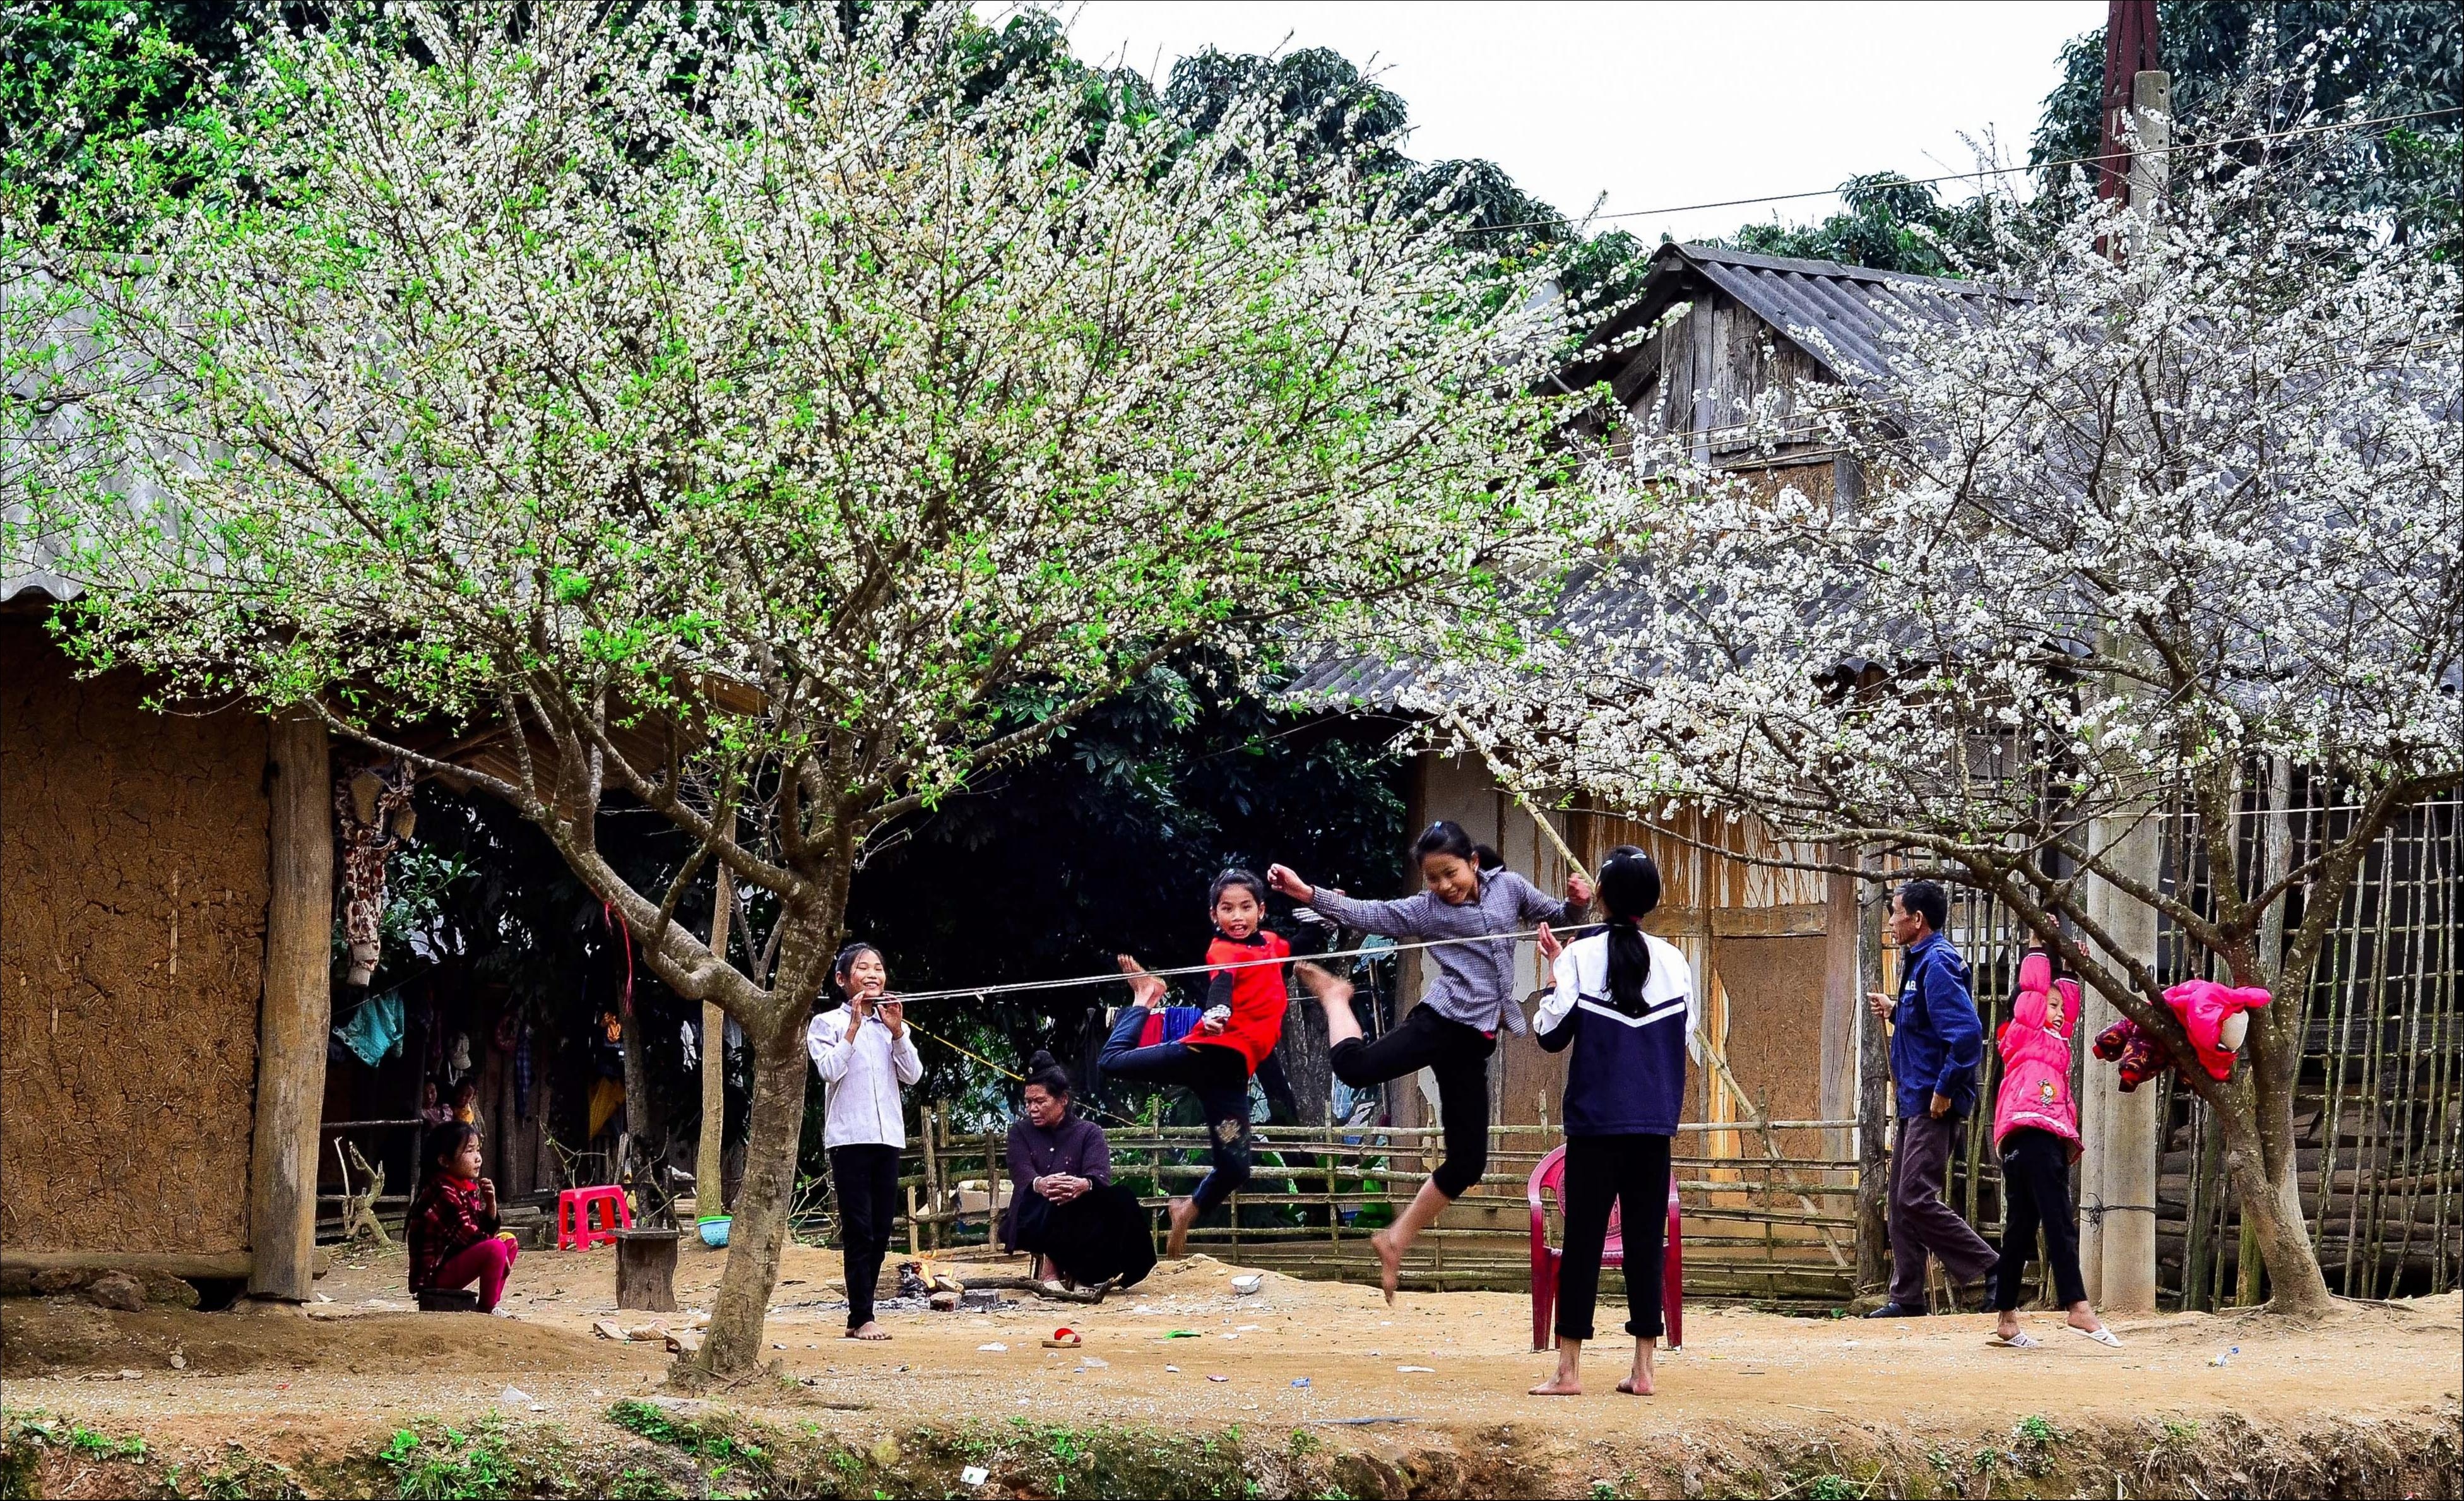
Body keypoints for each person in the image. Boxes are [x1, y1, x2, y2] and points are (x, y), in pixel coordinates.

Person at [1270, 821, 1593, 1302]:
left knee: (1468, 1164)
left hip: (1474, 1041)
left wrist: (1578, 903)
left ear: (1474, 863)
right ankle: (1336, 997)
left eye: (1451, 874)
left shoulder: (1510, 890)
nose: (1444, 886)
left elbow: (1563, 921)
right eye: (1434, 878)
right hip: (1440, 1023)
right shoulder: (1425, 910)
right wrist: (1307, 892)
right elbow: (1370, 912)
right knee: (1354, 1068)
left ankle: (1394, 1239)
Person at [1527, 846, 1691, 1397]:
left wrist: (1556, 970)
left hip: (1596, 1123)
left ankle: (1569, 1371)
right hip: (1653, 1124)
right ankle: (1644, 1371)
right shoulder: (1675, 960)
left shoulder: (1579, 955)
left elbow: (1549, 1036)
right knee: (1648, 1244)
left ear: (1600, 896)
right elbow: (1681, 1042)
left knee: (1582, 1244)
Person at [1101, 869, 1291, 1257]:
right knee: (1112, 1062)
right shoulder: (1222, 951)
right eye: (1227, 909)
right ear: (1214, 915)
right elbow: (1221, 983)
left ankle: (1187, 1209)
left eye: (1245, 908)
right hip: (1202, 1056)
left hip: (1229, 1080)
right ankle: (1145, 997)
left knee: (1236, 1167)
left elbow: (1300, 944)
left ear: (1262, 910)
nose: (1237, 917)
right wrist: (1217, 1012)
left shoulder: (1272, 945)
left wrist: (1326, 915)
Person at [1863, 879, 1998, 1317]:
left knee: (1915, 1197)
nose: (1891, 920)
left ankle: (1993, 1268)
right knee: (1902, 1198)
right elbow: (1928, 1019)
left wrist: (1943, 1090)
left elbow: (1965, 1036)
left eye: (1895, 911)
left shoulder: (1937, 963)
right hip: (1914, 1096)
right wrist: (1896, 1009)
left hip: (1931, 1100)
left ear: (1916, 919)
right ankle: (1907, 1297)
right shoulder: (1919, 961)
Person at [1989, 948, 2120, 1349]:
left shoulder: (2054, 1043)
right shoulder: (2023, 1032)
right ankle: (2078, 1307)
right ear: (2028, 1008)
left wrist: (2066, 963)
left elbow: (2070, 1003)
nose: (2061, 1013)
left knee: (2021, 1229)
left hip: (2027, 1140)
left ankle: (2007, 1317)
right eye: (2052, 1005)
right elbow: (2033, 985)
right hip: (2035, 1134)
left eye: (2061, 1007)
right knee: (2059, 1220)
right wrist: (2037, 945)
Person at [808, 940, 921, 1341]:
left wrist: (897, 1033)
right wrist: (853, 1028)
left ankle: (860, 1315)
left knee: (879, 1229)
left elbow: (912, 1075)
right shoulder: (826, 1024)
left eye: (878, 967)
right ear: (842, 979)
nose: (873, 974)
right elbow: (829, 1071)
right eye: (862, 968)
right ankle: (863, 1315)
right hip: (849, 1138)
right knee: (858, 1229)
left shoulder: (893, 1025)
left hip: (887, 1137)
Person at [1002, 1052, 1157, 1291]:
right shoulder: (1020, 1132)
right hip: (1032, 1214)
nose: (1032, 1108)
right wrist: (1041, 1184)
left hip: (1080, 1213)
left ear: (1063, 1099)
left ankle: (1091, 1274)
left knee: (1120, 1196)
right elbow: (1020, 1171)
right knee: (1056, 1197)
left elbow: (1099, 1174)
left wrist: (1082, 1185)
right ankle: (1051, 1274)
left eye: (1040, 1102)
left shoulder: (1089, 1132)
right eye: (1028, 1102)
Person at [406, 1121, 520, 1313]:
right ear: (444, 1161)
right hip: (434, 1278)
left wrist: (491, 1202)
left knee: (509, 1241)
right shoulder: (441, 1191)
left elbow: (483, 1230)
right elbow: (469, 1236)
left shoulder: (463, 1188)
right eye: (469, 1151)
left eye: (478, 1150)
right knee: (496, 1248)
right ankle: (486, 1309)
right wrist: (498, 1253)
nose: (478, 1158)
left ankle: (491, 1302)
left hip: (453, 1261)